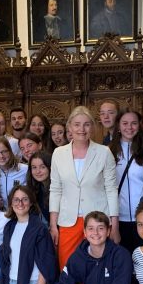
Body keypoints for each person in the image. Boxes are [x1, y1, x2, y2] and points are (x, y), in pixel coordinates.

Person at [49, 106, 119, 269]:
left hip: (98, 220)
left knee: (97, 267)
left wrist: (113, 225)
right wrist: (53, 224)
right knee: (68, 266)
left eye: (87, 124)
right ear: (69, 128)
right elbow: (55, 189)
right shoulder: (58, 153)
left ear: (93, 127)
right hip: (68, 221)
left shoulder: (104, 152)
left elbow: (111, 189)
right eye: (77, 124)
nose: (82, 129)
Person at [108, 110, 143, 252]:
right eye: (125, 123)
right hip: (118, 219)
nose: (129, 127)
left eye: (134, 123)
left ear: (140, 126)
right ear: (118, 126)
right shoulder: (109, 152)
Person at [0, 136, 27, 209]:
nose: (1, 156)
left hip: (21, 214)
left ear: (10, 151)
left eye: (4, 151)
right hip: (0, 216)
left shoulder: (24, 170)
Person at [26, 151, 52, 226]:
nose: (38, 171)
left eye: (42, 167)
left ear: (50, 167)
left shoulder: (59, 189)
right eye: (34, 167)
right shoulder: (34, 189)